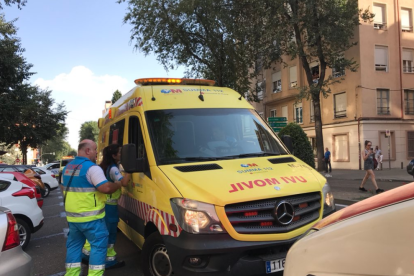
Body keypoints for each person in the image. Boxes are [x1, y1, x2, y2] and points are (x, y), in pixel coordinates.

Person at [61, 139, 122, 276]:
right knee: (98, 247)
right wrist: (117, 185)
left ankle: (72, 274)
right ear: (88, 150)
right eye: (95, 150)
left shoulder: (67, 168)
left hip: (73, 218)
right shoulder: (92, 168)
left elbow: (64, 188)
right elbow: (105, 188)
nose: (96, 153)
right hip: (92, 218)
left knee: (74, 246)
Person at [82, 144, 131, 269]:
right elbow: (123, 182)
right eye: (120, 152)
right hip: (110, 206)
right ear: (114, 156)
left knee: (100, 232)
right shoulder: (113, 169)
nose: (121, 154)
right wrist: (130, 170)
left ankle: (87, 254)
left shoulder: (103, 167)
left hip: (103, 204)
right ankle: (108, 260)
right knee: (111, 233)